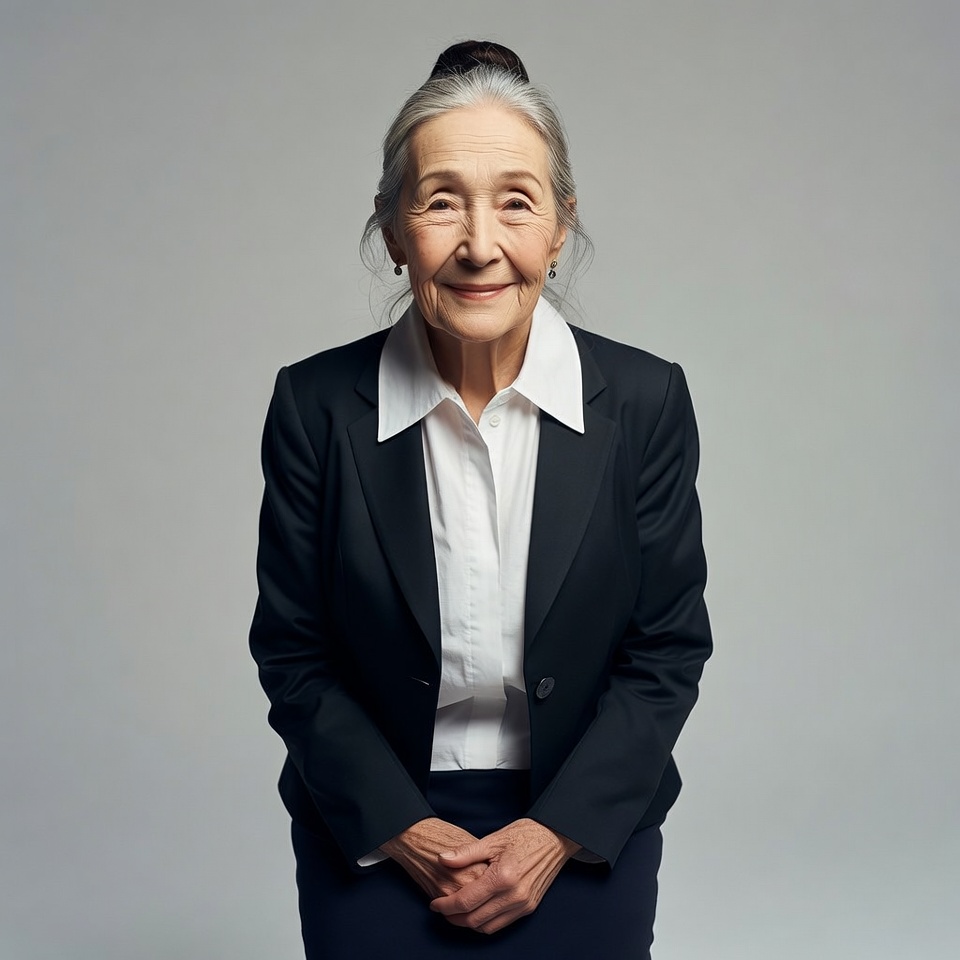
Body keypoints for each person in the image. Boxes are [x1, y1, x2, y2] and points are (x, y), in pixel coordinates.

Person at [250, 40, 712, 959]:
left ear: (559, 226)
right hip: (376, 818)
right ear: (391, 230)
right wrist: (407, 834)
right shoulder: (313, 406)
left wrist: (554, 837)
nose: (479, 245)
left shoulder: (646, 402)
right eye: (440, 202)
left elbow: (666, 652)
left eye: (515, 201)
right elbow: (294, 657)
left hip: (580, 815)